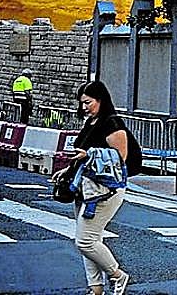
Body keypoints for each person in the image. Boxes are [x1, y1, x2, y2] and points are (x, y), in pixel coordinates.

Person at [53, 81, 140, 295]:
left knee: (85, 241)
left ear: (101, 100)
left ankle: (117, 275)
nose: (84, 107)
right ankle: (96, 288)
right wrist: (68, 170)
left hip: (105, 191)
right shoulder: (91, 122)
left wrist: (90, 154)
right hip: (85, 188)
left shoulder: (112, 124)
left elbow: (120, 159)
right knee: (92, 240)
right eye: (82, 103)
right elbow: (82, 154)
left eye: (88, 102)